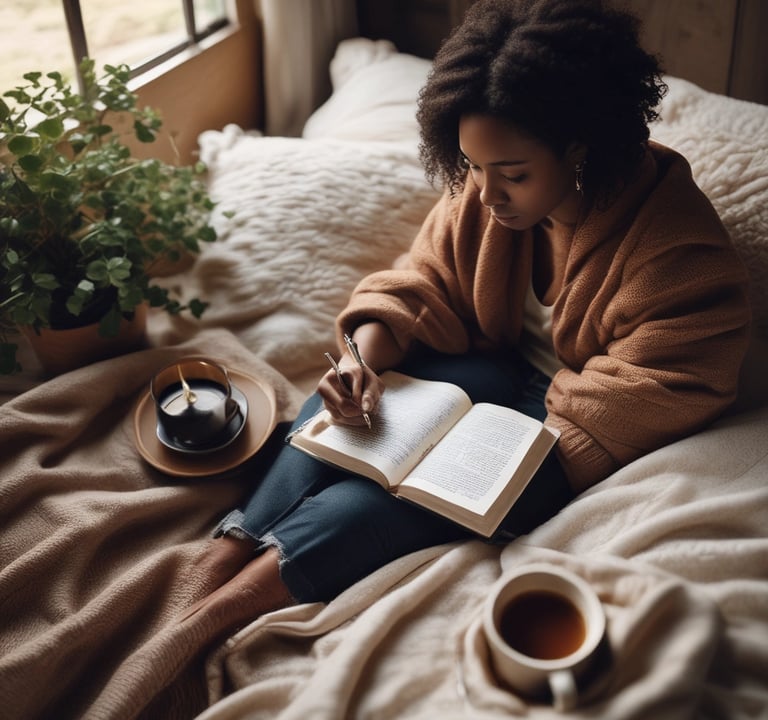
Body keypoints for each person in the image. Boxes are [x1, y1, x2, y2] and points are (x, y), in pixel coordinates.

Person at [181, 0, 751, 631]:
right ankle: (222, 553)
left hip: (572, 421)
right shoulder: (483, 194)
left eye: (512, 174)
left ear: (580, 149)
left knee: (371, 506)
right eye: (473, 166)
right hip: (486, 366)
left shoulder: (677, 252)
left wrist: (483, 456)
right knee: (339, 424)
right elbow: (421, 285)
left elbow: (668, 382)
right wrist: (359, 363)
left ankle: (213, 616)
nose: (484, 193)